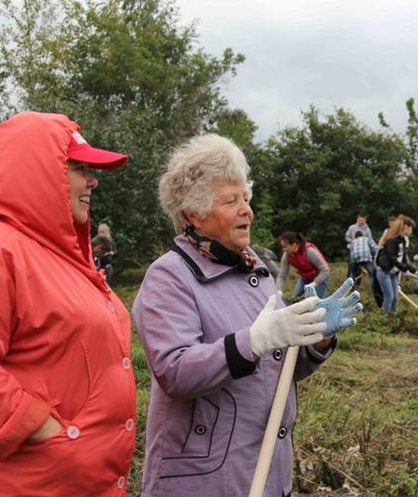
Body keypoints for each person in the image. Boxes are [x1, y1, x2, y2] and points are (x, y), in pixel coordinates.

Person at [132, 134, 361, 497]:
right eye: (231, 201)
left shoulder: (254, 272)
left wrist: (317, 336)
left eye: (246, 198)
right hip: (204, 480)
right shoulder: (169, 277)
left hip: (267, 472)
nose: (247, 211)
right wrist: (252, 341)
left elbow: (280, 369)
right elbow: (175, 372)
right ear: (195, 214)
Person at [0, 111, 135, 495]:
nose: (93, 180)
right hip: (34, 482)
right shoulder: (6, 249)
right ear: (37, 172)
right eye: (78, 167)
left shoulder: (62, 256)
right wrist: (42, 428)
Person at [375, 215, 418, 313]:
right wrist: (404, 269)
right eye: (411, 228)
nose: (412, 231)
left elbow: (403, 258)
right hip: (384, 271)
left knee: (395, 299)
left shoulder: (402, 240)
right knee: (389, 297)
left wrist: (413, 269)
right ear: (406, 227)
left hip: (392, 273)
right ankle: (383, 319)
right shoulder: (392, 240)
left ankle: (394, 320)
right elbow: (392, 258)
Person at [276, 231, 331, 299]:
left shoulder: (309, 252)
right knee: (294, 298)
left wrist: (314, 283)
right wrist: (278, 290)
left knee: (315, 302)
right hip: (306, 278)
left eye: (285, 247)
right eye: (282, 247)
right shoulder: (286, 255)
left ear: (294, 244)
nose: (283, 249)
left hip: (320, 278)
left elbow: (325, 270)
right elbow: (282, 275)